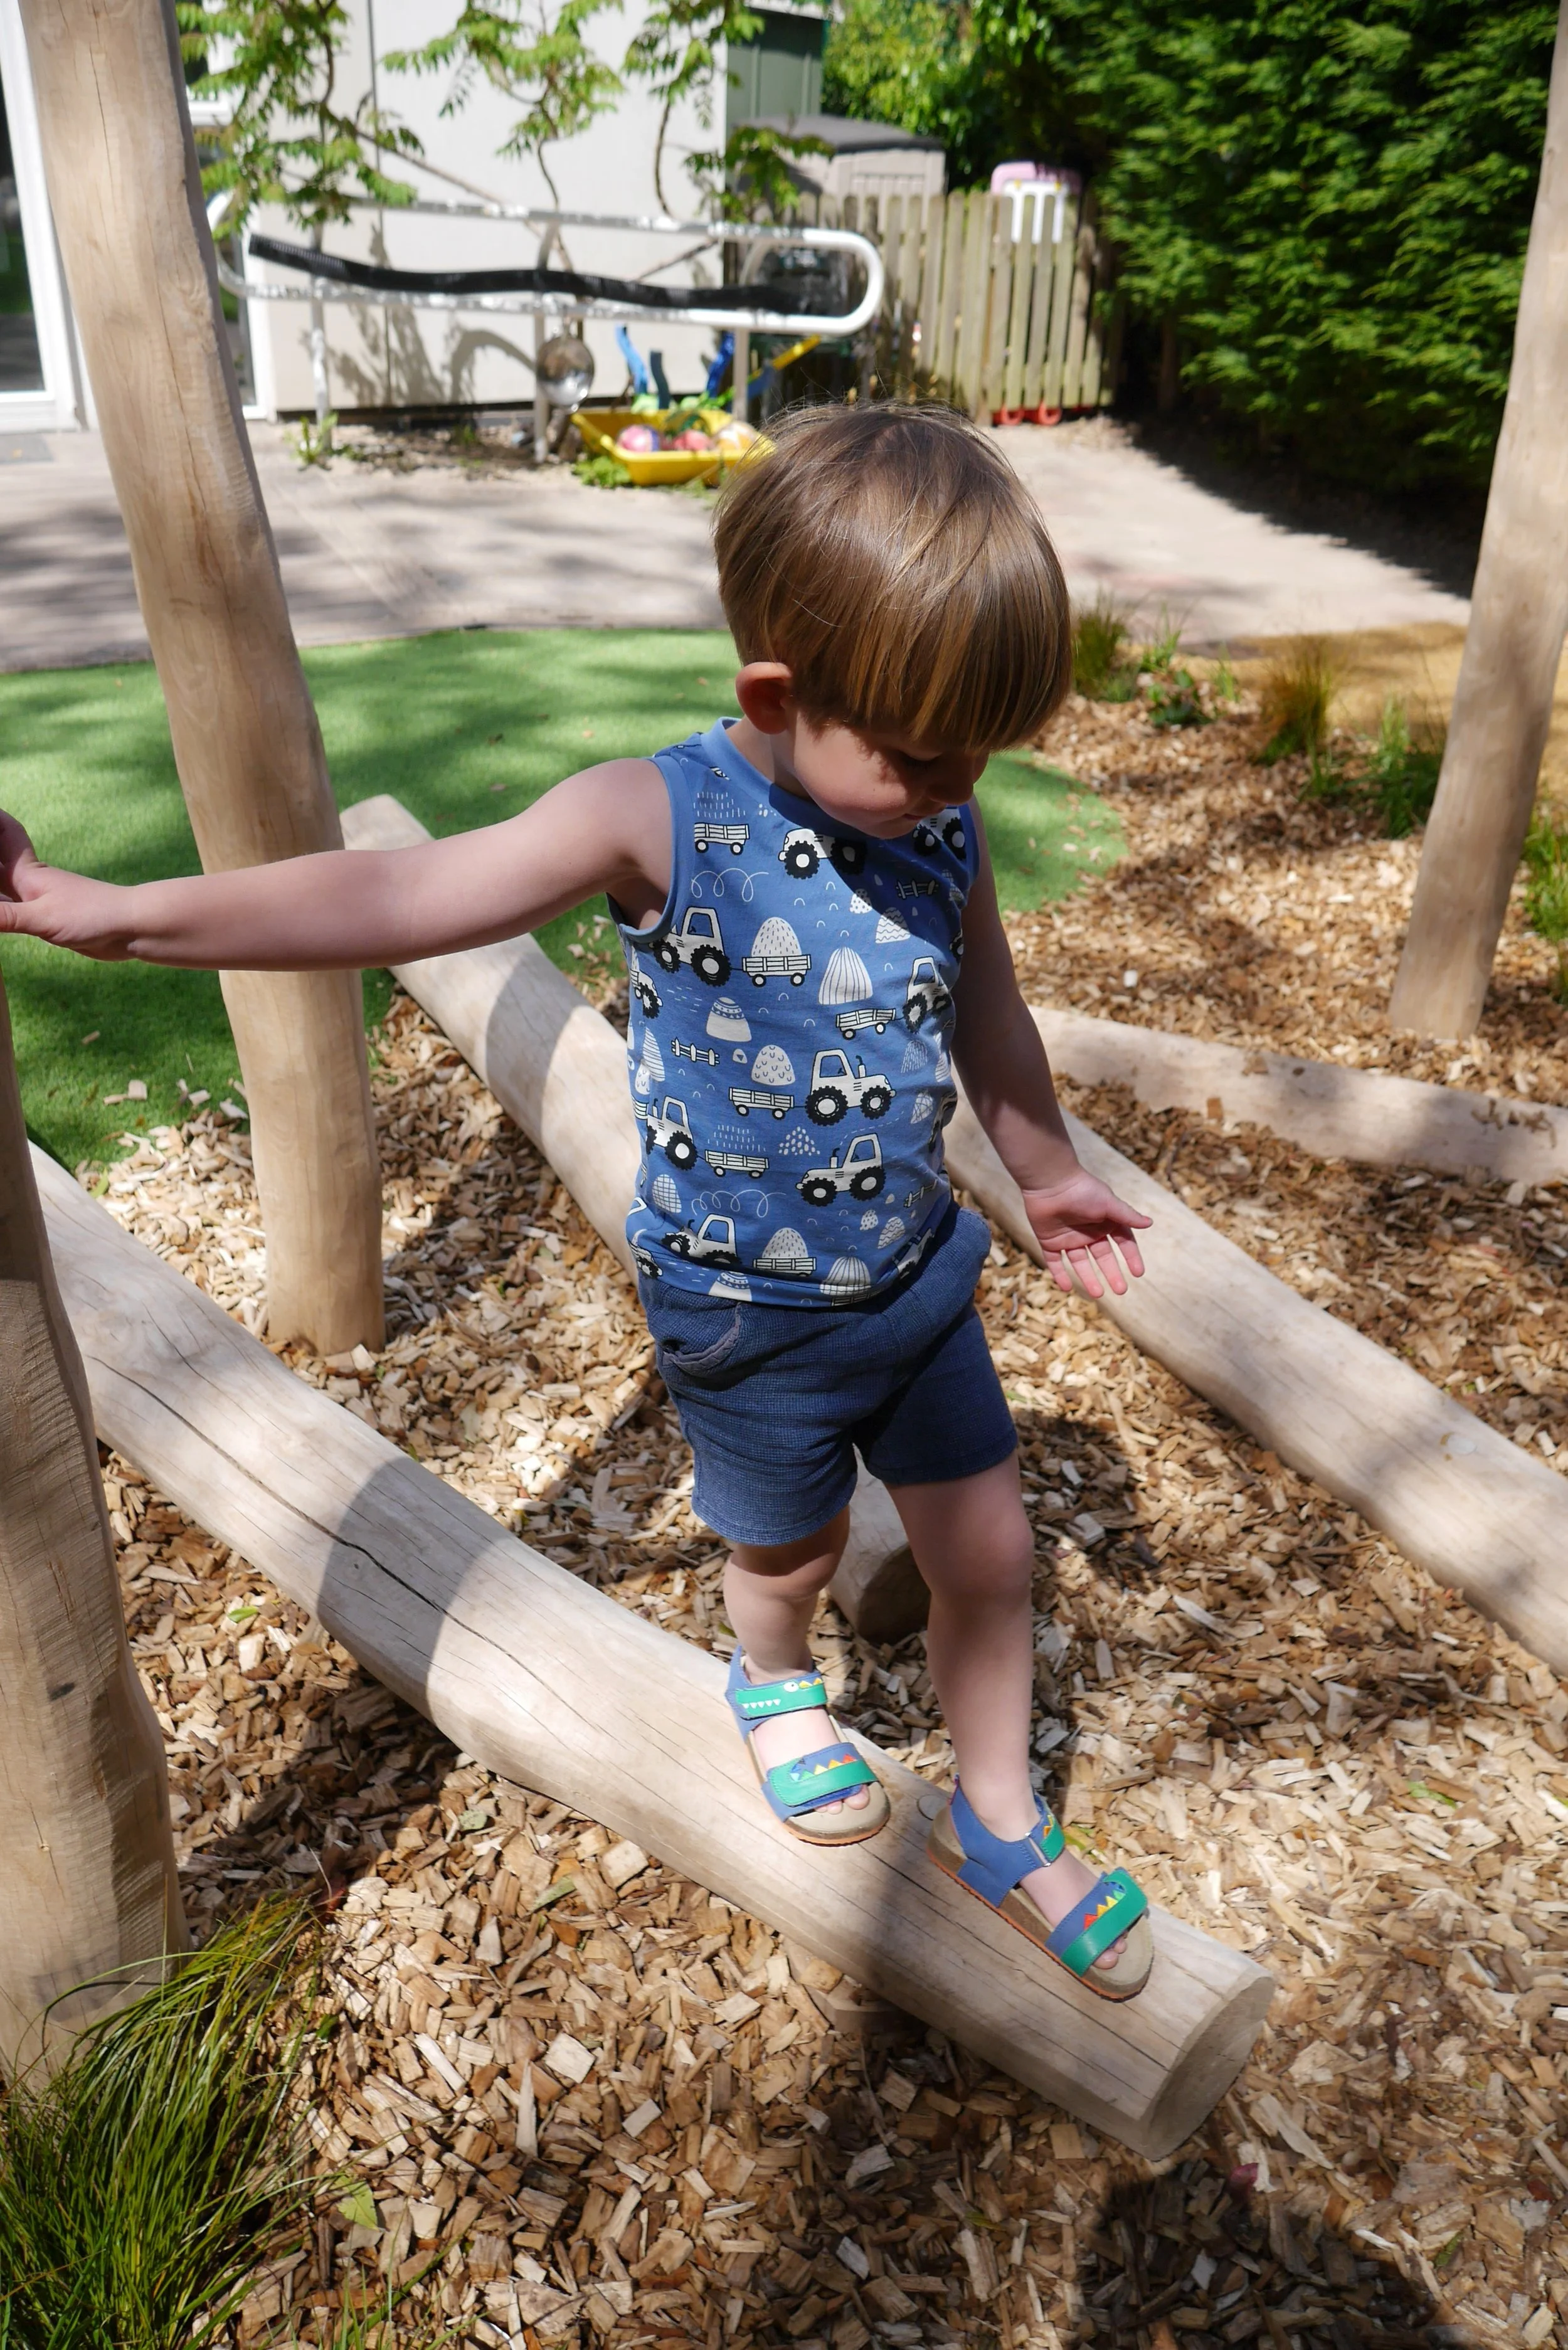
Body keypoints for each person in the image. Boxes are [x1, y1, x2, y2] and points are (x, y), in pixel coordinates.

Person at [0, 402, 1155, 1997]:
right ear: (775, 695)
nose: (958, 788)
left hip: (913, 1284)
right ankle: (768, 1682)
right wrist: (113, 912)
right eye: (925, 752)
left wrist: (1043, 1171)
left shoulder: (932, 821)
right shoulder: (656, 815)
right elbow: (400, 890)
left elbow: (988, 1016)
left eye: (975, 756)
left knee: (992, 1551)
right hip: (746, 1314)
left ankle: (1002, 1814)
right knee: (790, 1547)